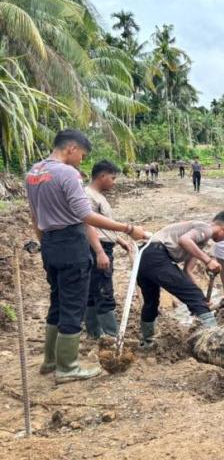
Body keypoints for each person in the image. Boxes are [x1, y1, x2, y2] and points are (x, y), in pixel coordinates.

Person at [26, 129, 147, 383]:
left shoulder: (34, 172)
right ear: (71, 148)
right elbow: (86, 216)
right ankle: (67, 367)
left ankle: (50, 360)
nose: (81, 160)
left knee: (57, 301)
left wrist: (46, 244)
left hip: (49, 243)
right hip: (71, 243)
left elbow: (35, 216)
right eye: (82, 154)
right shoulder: (67, 173)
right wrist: (128, 228)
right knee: (73, 304)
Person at [136, 212, 224, 348]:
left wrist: (201, 298)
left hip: (142, 257)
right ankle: (215, 341)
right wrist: (208, 261)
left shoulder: (198, 241)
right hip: (156, 254)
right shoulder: (205, 228)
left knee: (151, 302)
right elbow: (184, 240)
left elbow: (187, 271)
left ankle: (147, 342)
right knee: (194, 296)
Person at [84, 160, 132, 339]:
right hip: (97, 247)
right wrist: (99, 252)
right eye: (112, 178)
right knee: (104, 290)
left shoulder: (98, 196)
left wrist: (119, 240)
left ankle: (94, 331)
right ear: (102, 176)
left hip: (101, 246)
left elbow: (102, 226)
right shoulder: (88, 196)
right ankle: (113, 336)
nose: (114, 182)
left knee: (92, 290)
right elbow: (87, 224)